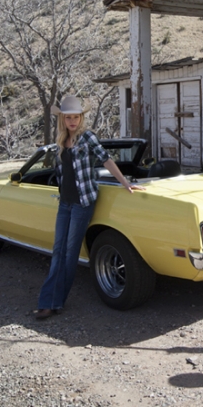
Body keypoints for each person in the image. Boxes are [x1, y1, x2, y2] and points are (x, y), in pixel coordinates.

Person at [35, 95, 145, 320]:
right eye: (68, 118)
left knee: (69, 253)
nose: (72, 121)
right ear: (62, 119)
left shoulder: (87, 138)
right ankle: (49, 301)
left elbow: (106, 159)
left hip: (83, 203)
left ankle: (53, 302)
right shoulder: (61, 140)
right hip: (65, 203)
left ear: (81, 118)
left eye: (76, 117)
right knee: (58, 251)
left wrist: (125, 183)